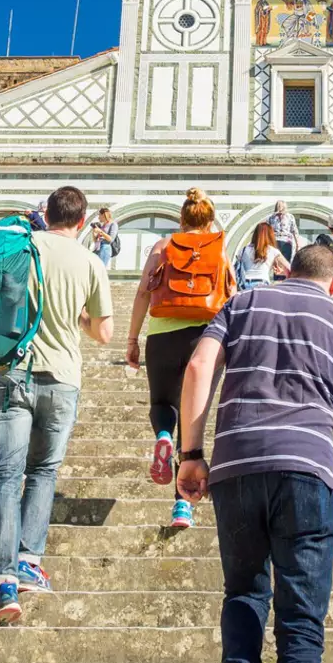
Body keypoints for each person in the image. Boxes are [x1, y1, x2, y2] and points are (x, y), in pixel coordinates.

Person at [176, 243, 333, 663]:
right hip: (307, 469)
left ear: (286, 271)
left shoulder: (242, 302)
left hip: (237, 466)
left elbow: (198, 366)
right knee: (301, 626)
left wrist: (191, 453)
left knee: (243, 588)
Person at [0, 185, 113, 626]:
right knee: (41, 472)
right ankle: (29, 561)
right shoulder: (91, 261)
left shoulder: (20, 249)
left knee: (4, 474)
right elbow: (105, 334)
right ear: (82, 221)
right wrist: (75, 316)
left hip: (10, 372)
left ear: (47, 214)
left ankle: (2, 582)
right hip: (62, 379)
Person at [125, 190, 221, 529]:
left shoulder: (163, 246)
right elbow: (233, 296)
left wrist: (133, 338)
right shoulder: (218, 246)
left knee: (163, 402)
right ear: (209, 220)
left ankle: (163, 435)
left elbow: (142, 291)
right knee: (193, 416)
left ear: (181, 219)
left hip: (162, 333)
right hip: (206, 338)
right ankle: (183, 506)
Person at [233, 222, 290, 291]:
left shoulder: (243, 250)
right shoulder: (273, 251)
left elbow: (234, 269)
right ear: (270, 235)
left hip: (244, 286)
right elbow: (289, 269)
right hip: (263, 285)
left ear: (255, 234)